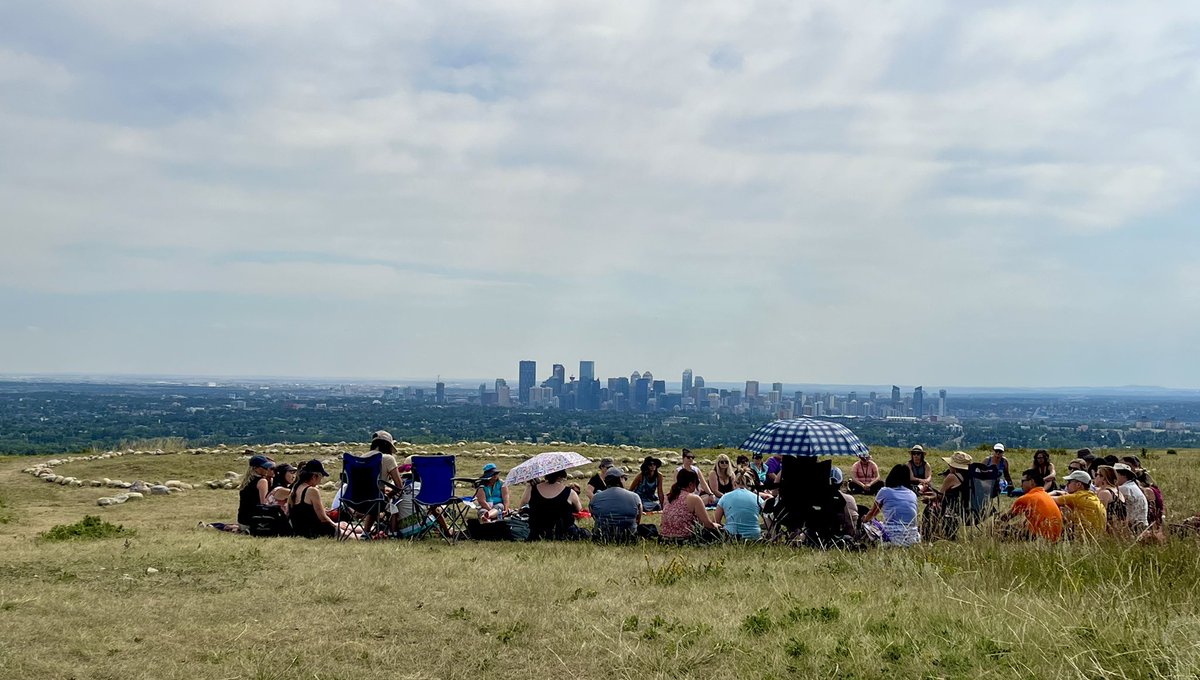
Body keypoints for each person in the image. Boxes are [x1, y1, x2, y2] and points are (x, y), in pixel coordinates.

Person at [862, 465, 920, 546]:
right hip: (913, 537)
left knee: (870, 525)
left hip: (892, 536)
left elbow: (872, 512)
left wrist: (864, 522)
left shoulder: (884, 491)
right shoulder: (913, 494)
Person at [521, 470, 586, 540]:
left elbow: (522, 507)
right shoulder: (570, 492)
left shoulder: (533, 489)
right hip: (564, 532)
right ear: (561, 476)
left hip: (537, 532)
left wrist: (529, 486)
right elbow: (580, 512)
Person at [999, 469, 1063, 541]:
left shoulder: (1026, 498)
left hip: (1040, 539)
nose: (1021, 485)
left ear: (1032, 482)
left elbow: (1004, 518)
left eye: (1023, 481)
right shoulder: (1046, 495)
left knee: (999, 528)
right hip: (1055, 538)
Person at [660, 468, 721, 542]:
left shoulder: (668, 497)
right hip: (684, 538)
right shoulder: (694, 498)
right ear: (691, 484)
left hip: (665, 537)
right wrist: (717, 526)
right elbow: (707, 524)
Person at [924, 451, 972, 540]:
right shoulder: (971, 477)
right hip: (970, 511)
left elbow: (940, 497)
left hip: (953, 510)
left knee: (930, 508)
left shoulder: (952, 477)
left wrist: (928, 498)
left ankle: (927, 535)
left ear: (953, 466)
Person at [589, 467, 644, 542]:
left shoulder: (596, 497)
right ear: (620, 479)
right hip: (628, 537)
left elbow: (594, 516)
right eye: (625, 478)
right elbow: (638, 520)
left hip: (602, 537)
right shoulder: (634, 496)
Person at [1053, 470, 1106, 539]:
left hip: (1083, 539)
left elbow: (1047, 499)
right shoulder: (1091, 495)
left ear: (1078, 485)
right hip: (1097, 538)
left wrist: (1054, 492)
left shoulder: (1076, 497)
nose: (1067, 485)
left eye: (1069, 482)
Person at [714, 470, 763, 540]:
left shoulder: (725, 497)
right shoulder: (757, 498)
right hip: (754, 536)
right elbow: (767, 518)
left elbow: (716, 521)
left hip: (731, 535)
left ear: (734, 483)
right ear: (750, 484)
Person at [237, 455, 276, 529]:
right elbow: (264, 504)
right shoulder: (262, 481)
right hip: (254, 521)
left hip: (242, 520)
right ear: (256, 468)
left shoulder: (246, 481)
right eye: (265, 467)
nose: (267, 469)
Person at [1114, 463, 1148, 536]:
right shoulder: (1132, 485)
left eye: (1115, 475)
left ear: (1124, 475)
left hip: (1134, 526)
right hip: (1140, 523)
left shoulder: (1125, 488)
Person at [830, 467, 859, 538]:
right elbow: (851, 526)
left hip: (817, 536)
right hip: (840, 535)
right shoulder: (849, 499)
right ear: (841, 483)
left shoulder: (816, 499)